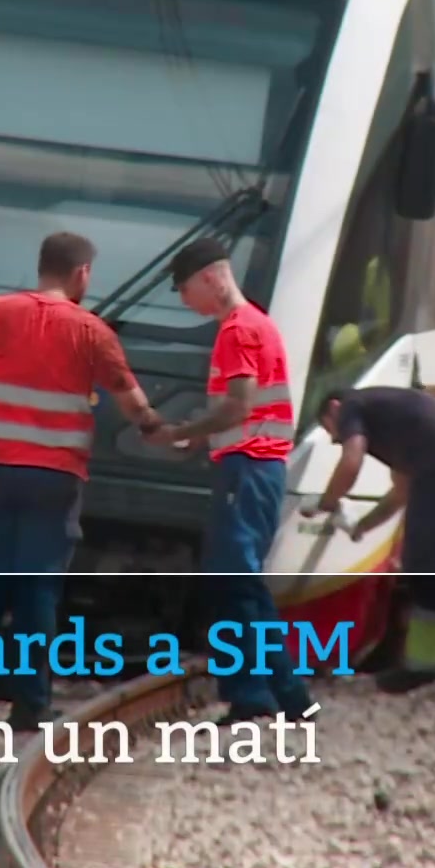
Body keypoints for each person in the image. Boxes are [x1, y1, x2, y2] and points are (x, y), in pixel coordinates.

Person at [0, 232, 163, 731]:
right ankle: (30, 707)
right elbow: (133, 404)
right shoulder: (92, 331)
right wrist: (162, 431)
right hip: (55, 479)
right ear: (81, 274)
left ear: (41, 266)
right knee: (36, 591)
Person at [145, 238, 316, 723]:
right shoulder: (258, 323)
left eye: (185, 290)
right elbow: (246, 409)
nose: (185, 302)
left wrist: (181, 432)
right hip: (257, 467)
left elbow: (239, 406)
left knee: (234, 582)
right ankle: (273, 695)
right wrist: (203, 437)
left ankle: (268, 695)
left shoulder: (237, 330)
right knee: (240, 582)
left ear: (211, 279)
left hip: (247, 467)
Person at [304, 387, 435, 693]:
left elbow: (351, 463)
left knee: (425, 564)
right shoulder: (397, 417)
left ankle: (423, 667)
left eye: (333, 432)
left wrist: (326, 502)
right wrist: (363, 526)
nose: (338, 439)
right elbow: (402, 491)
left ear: (334, 407)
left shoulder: (353, 405)